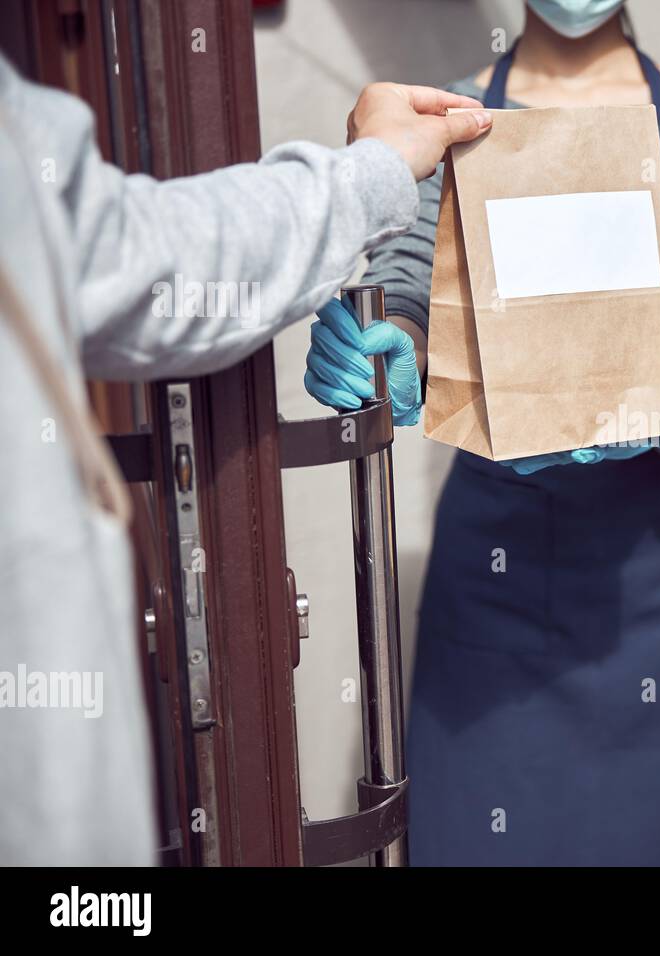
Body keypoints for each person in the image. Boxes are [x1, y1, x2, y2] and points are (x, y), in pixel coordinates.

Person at [305, 0, 660, 865]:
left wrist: (654, 409)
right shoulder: (446, 115)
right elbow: (410, 282)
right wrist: (390, 345)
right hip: (502, 547)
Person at [0, 51, 492, 865]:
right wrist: (399, 330)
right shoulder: (471, 104)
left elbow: (119, 249)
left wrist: (654, 406)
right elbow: (131, 256)